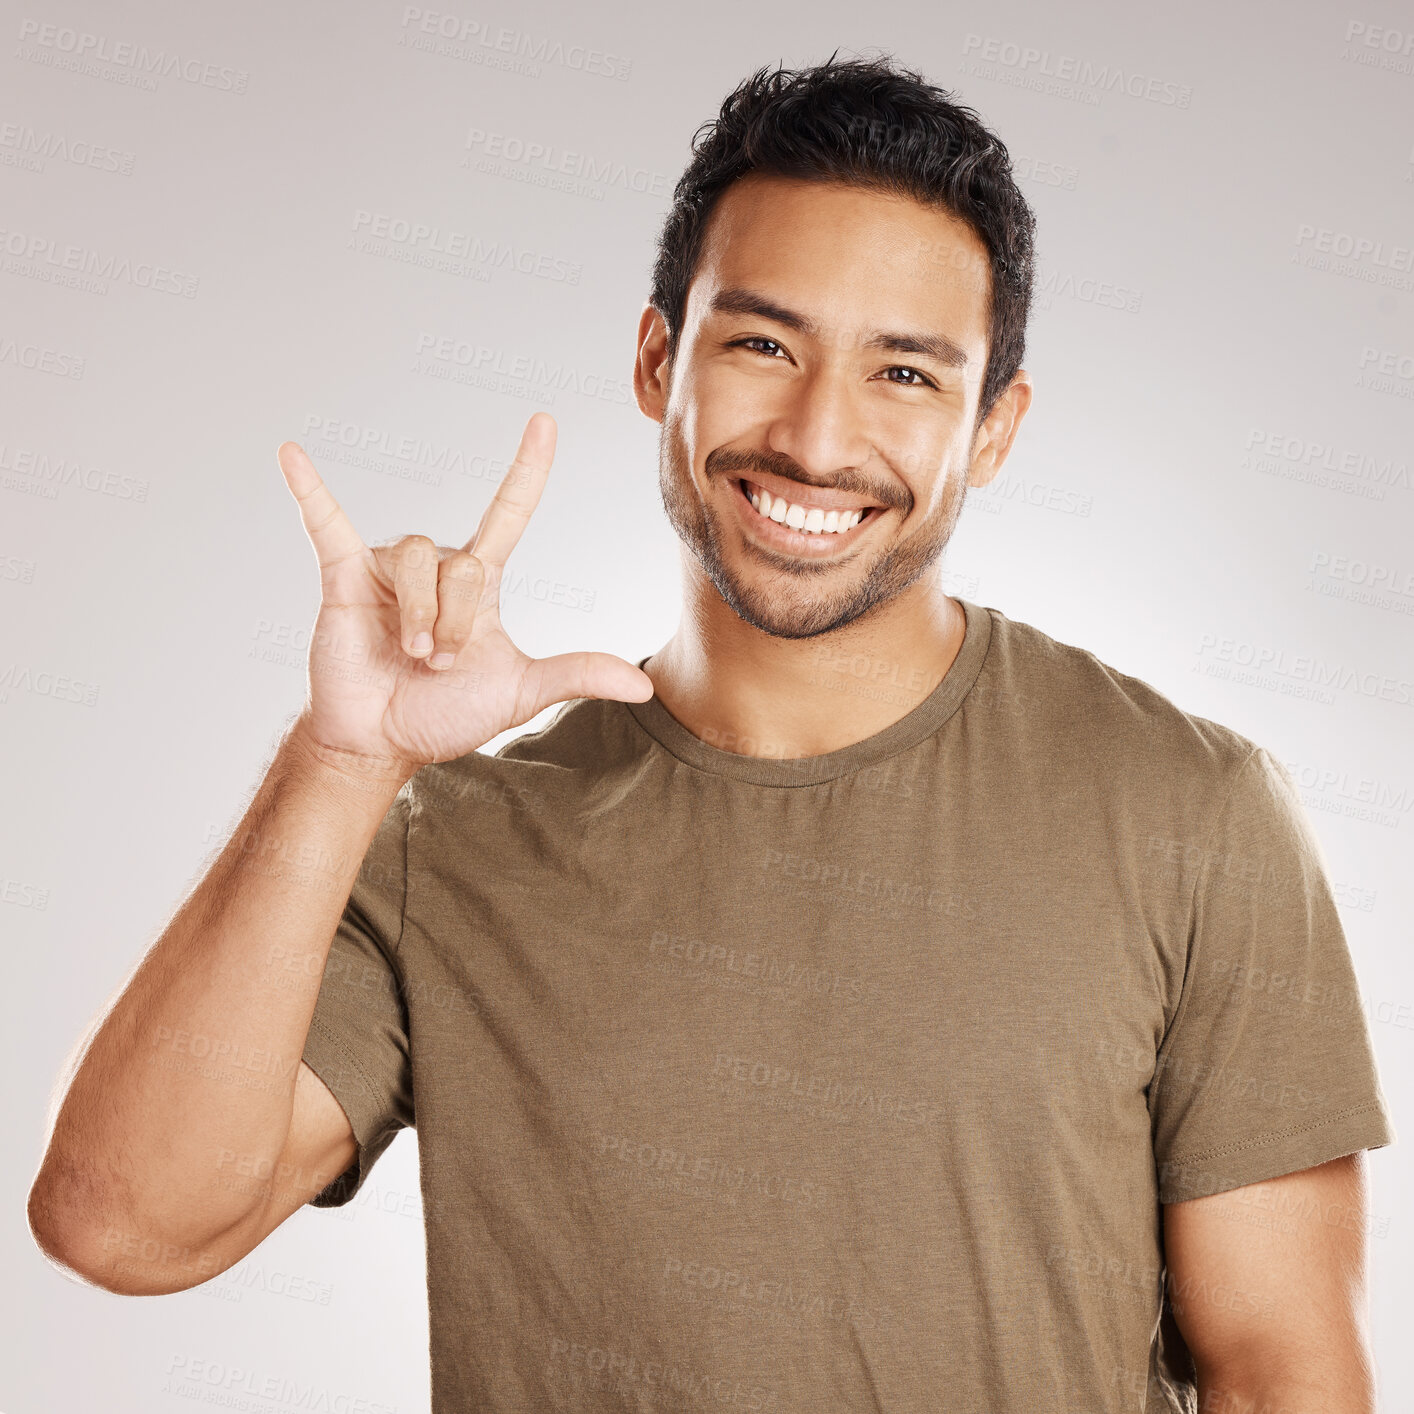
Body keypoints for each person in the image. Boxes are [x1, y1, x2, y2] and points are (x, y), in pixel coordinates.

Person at [28, 53, 1395, 1414]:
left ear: (992, 429)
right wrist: (341, 763)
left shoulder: (1192, 809)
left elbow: (1283, 1369)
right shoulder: (449, 845)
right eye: (760, 344)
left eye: (905, 372)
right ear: (654, 361)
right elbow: (120, 1224)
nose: (814, 436)